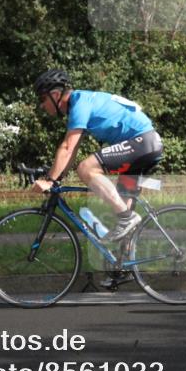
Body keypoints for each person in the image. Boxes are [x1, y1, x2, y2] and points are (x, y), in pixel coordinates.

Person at [31, 69, 163, 243]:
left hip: (142, 142)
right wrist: (57, 177)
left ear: (55, 95)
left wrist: (49, 180)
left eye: (43, 99)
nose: (41, 105)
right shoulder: (82, 102)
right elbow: (72, 150)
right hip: (144, 145)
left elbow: (67, 147)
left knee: (86, 168)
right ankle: (125, 266)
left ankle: (127, 217)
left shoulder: (79, 103)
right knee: (124, 219)